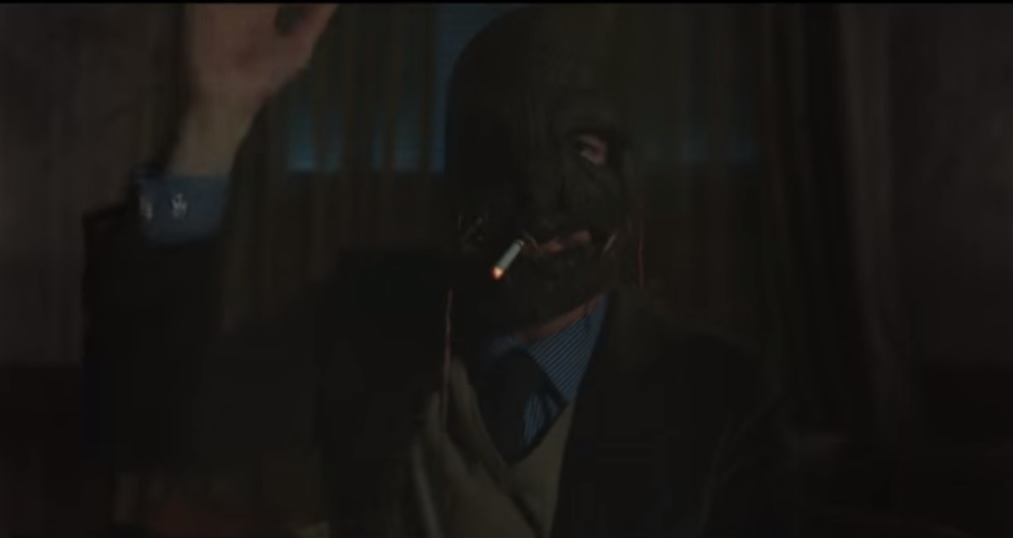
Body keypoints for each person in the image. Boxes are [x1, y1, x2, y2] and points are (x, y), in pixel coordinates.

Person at [85, 4, 797, 537]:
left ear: (629, 168)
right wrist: (212, 126)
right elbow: (149, 417)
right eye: (497, 149)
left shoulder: (720, 400)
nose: (539, 198)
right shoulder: (367, 322)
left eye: (581, 148)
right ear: (450, 180)